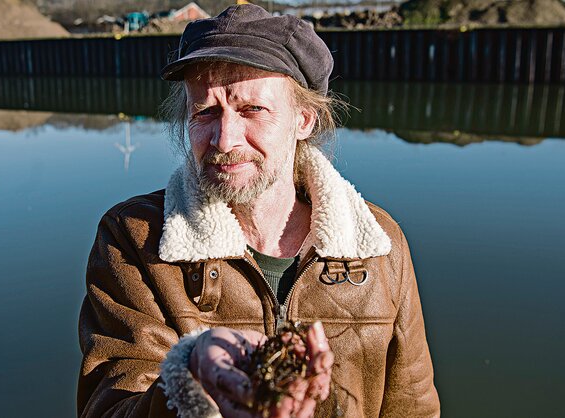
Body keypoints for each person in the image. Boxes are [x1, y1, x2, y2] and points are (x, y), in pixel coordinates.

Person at [77, 4, 439, 417]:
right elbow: (107, 408)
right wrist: (188, 380)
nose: (225, 139)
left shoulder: (379, 245)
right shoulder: (134, 239)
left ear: (303, 120)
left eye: (253, 110)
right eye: (205, 112)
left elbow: (413, 407)